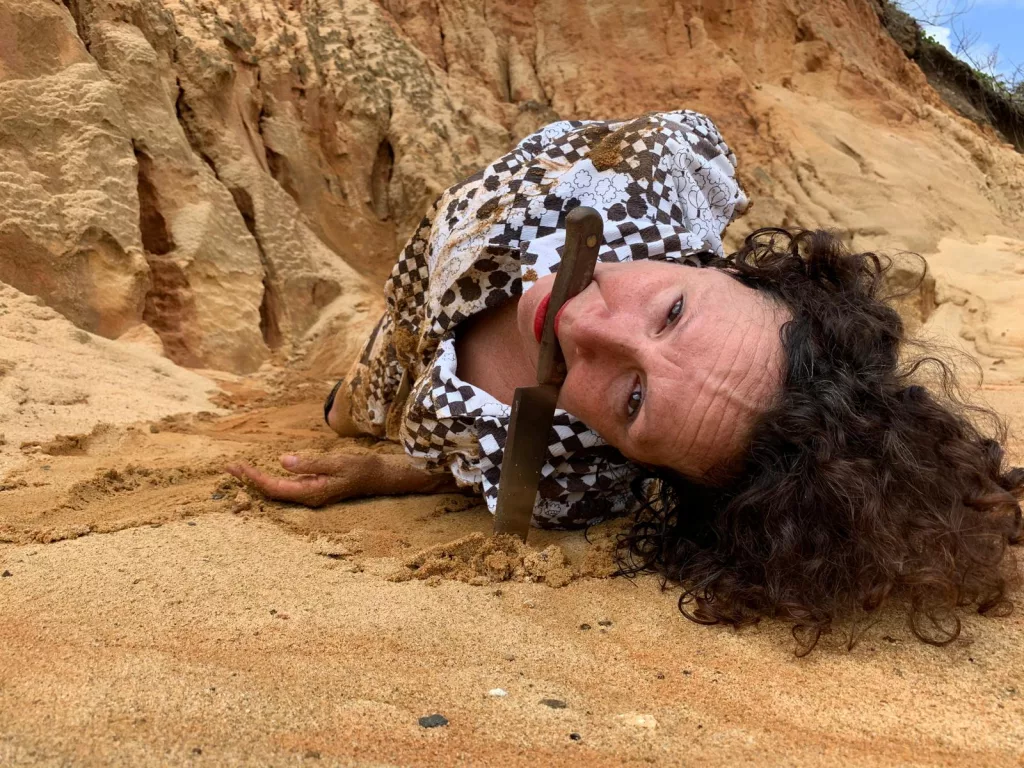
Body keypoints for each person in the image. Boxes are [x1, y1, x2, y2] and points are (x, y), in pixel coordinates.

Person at [227, 111, 1023, 653]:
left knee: (352, 412)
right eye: (672, 312)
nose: (586, 330)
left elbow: (474, 475)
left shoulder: (555, 470)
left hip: (410, 361)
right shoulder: (658, 176)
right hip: (422, 278)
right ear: (731, 270)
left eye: (634, 401)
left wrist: (379, 469)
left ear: (629, 458)